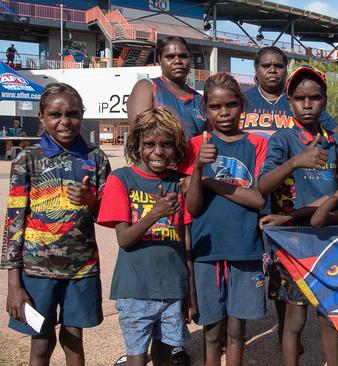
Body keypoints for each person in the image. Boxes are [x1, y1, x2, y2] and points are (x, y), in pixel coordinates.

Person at [2, 83, 111, 365]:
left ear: (82, 115)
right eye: (55, 114)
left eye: (73, 114)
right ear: (42, 117)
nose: (65, 121)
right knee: (41, 343)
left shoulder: (96, 159)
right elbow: (14, 222)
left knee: (74, 340)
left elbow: (107, 216)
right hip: (37, 272)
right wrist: (14, 283)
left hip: (82, 269)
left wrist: (91, 199)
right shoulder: (28, 159)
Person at [258, 65, 338, 366]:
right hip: (292, 242)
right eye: (300, 98)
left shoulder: (332, 142)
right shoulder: (282, 140)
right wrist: (296, 161)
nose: (307, 105)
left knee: (330, 315)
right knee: (294, 320)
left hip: (326, 239)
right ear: (290, 101)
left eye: (314, 98)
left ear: (324, 101)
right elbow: (263, 185)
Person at [97, 107, 195, 366]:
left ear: (176, 147)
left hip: (173, 288)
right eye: (150, 144)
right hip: (135, 288)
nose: (158, 152)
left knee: (164, 355)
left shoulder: (180, 183)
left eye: (166, 144)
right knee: (137, 357)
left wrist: (189, 292)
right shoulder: (121, 179)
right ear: (137, 145)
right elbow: (125, 239)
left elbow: (186, 241)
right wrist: (156, 212)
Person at [180, 73, 267, 365]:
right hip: (208, 250)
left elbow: (257, 198)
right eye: (216, 107)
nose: (225, 112)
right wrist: (197, 171)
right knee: (212, 330)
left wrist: (212, 182)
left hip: (245, 247)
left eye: (231, 105)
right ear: (205, 108)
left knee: (236, 329)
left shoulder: (256, 144)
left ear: (242, 105)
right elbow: (192, 208)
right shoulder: (195, 145)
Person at [241, 46, 338, 143]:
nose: (272, 70)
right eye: (266, 66)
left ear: (286, 69)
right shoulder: (241, 100)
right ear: (256, 68)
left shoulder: (301, 101)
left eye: (279, 66)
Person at [127, 36, 206, 142]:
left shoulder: (199, 99)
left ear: (190, 59)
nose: (177, 61)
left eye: (183, 56)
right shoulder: (147, 87)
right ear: (160, 61)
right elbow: (141, 135)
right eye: (170, 57)